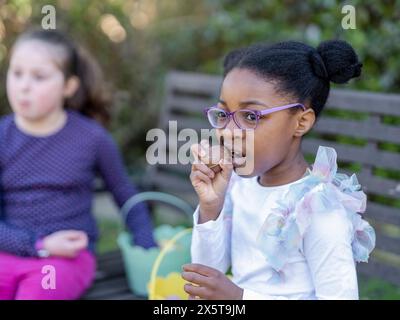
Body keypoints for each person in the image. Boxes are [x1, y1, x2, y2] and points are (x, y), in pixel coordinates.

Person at [183, 39, 376, 300]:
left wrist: (240, 298)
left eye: (251, 117)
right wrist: (210, 208)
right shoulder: (238, 186)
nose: (228, 132)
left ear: (300, 122)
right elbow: (205, 278)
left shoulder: (318, 210)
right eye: (223, 114)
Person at [0, 29, 156, 300]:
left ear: (69, 86)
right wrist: (38, 245)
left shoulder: (91, 138)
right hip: (9, 251)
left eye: (39, 77)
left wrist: (147, 244)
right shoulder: (3, 137)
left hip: (66, 259)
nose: (23, 86)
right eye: (16, 73)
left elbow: (124, 192)